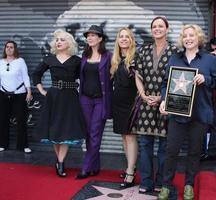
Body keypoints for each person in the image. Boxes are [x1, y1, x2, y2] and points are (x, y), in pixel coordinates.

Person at [158, 24, 216, 200]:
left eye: (191, 35)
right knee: (171, 150)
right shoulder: (174, 59)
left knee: (194, 152)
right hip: (177, 113)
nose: (188, 38)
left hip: (200, 114)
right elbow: (165, 83)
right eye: (185, 35)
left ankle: (189, 185)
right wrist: (164, 100)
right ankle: (165, 185)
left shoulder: (210, 60)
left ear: (198, 38)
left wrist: (206, 78)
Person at [32, 30, 86, 177]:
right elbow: (36, 74)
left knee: (66, 131)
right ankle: (60, 161)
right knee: (55, 131)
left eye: (62, 40)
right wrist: (41, 90)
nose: (59, 42)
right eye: (57, 40)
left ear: (69, 43)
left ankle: (60, 162)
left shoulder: (76, 60)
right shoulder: (49, 59)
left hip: (70, 98)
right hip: (54, 97)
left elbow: (84, 78)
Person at [134, 16, 178, 193]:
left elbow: (177, 79)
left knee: (164, 146)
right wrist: (143, 95)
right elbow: (138, 74)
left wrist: (161, 97)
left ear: (167, 29)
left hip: (165, 104)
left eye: (161, 26)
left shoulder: (176, 51)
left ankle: (161, 181)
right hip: (145, 104)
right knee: (145, 145)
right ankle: (145, 181)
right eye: (154, 26)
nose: (157, 29)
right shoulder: (143, 50)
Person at [76, 25, 113, 179]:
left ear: (100, 38)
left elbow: (116, 74)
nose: (89, 38)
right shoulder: (84, 56)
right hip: (85, 99)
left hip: (100, 100)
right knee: (88, 134)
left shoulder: (109, 56)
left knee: (95, 133)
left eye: (93, 35)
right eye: (88, 36)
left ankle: (86, 167)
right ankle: (95, 166)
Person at [111, 27, 138, 187]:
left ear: (131, 40)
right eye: (121, 36)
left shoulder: (136, 57)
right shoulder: (115, 58)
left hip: (132, 103)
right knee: (123, 136)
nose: (124, 39)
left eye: (127, 36)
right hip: (118, 103)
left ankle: (130, 172)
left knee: (131, 136)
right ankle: (131, 167)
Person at [0, 40, 32, 153]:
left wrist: (29, 91)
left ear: (15, 49)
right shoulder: (0, 62)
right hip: (3, 94)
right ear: (4, 49)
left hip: (19, 93)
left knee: (21, 120)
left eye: (11, 47)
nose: (9, 49)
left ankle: (23, 146)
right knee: (3, 120)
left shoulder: (20, 61)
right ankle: (3, 144)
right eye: (7, 47)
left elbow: (25, 76)